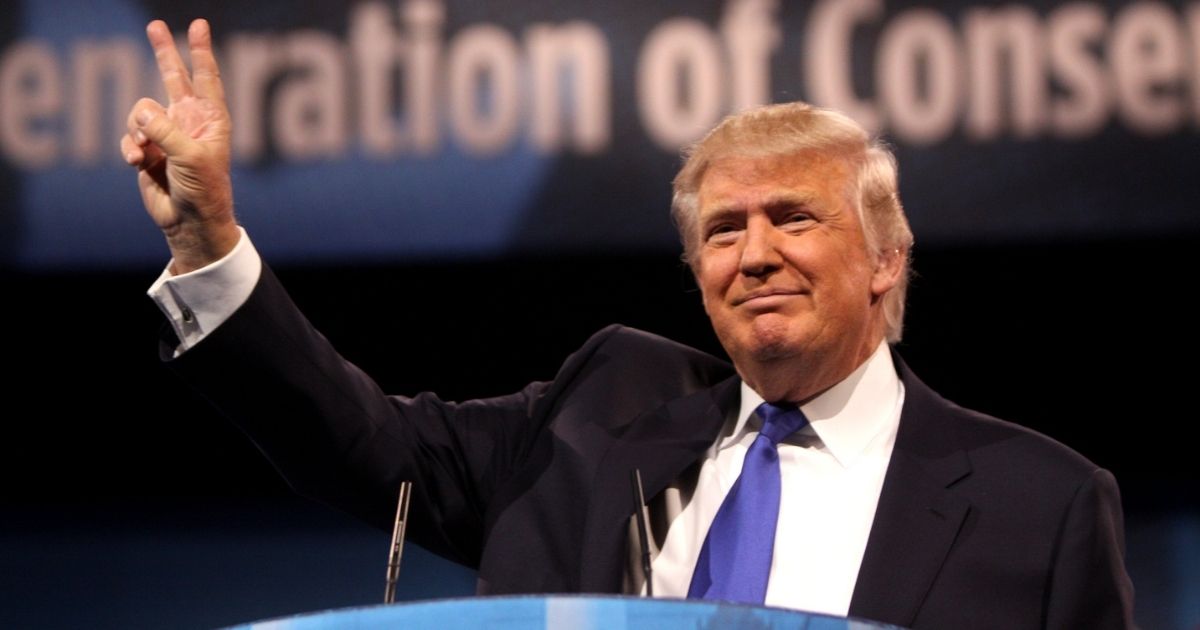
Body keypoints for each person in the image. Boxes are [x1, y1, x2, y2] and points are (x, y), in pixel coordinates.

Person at [122, 18, 1135, 629]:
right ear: (698, 273)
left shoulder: (1039, 506)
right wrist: (211, 245)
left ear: (884, 259)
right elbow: (363, 443)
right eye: (725, 230)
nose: (756, 253)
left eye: (794, 217)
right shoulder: (598, 413)